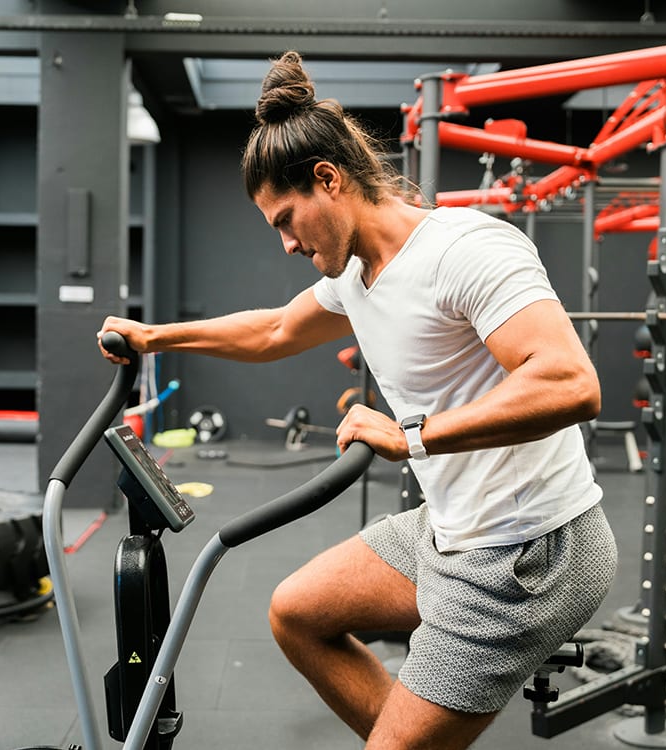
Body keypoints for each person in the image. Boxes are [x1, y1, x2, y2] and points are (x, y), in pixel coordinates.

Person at [98, 50, 617, 750]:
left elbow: (570, 382)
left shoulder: (463, 250)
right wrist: (155, 336)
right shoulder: (357, 273)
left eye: (287, 219)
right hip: (452, 529)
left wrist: (414, 434)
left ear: (328, 180)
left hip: (530, 552)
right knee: (296, 612)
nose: (285, 243)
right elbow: (276, 329)